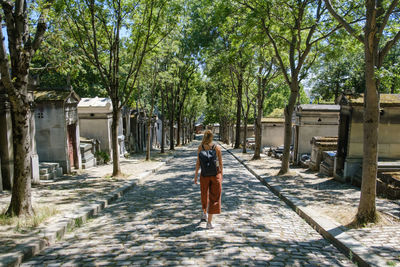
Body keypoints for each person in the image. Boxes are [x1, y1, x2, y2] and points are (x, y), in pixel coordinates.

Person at [194, 130, 223, 229]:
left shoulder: (200, 148)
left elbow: (198, 162)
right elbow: (220, 163)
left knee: (204, 193)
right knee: (214, 197)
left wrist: (196, 175)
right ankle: (209, 223)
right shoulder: (217, 148)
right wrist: (221, 175)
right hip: (215, 175)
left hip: (204, 174)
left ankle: (204, 212)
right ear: (212, 137)